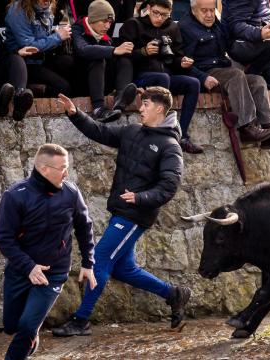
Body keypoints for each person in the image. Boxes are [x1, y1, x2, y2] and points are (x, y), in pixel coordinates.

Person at [52, 87, 191, 337]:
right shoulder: (132, 131)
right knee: (123, 269)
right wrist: (75, 114)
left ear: (160, 108)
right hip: (121, 211)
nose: (140, 108)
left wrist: (140, 198)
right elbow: (101, 131)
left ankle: (81, 320)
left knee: (100, 260)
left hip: (136, 215)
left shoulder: (170, 145)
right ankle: (174, 294)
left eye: (146, 104)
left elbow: (170, 186)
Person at [0, 143, 96, 360]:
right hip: (20, 271)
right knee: (12, 325)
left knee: (25, 327)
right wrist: (29, 266)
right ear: (44, 169)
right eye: (62, 168)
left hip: (54, 272)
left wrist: (88, 263)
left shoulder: (71, 193)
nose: (67, 173)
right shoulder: (15, 196)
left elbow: (84, 226)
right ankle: (32, 334)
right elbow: (4, 239)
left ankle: (28, 334)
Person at [180, 0, 270, 149]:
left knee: (257, 80)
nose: (209, 15)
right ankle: (246, 128)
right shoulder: (184, 28)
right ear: (193, 10)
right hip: (206, 72)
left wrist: (260, 37)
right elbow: (181, 63)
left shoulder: (217, 24)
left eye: (211, 10)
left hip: (224, 68)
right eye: (204, 11)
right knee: (236, 75)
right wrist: (203, 78)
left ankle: (268, 133)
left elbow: (230, 44)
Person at [122, 0, 203, 154]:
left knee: (193, 83)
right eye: (156, 13)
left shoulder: (172, 27)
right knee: (163, 78)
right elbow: (122, 56)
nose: (160, 18)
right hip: (141, 77)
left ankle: (181, 135)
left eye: (165, 15)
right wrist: (143, 52)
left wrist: (182, 62)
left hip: (165, 76)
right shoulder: (134, 25)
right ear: (148, 8)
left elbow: (176, 58)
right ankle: (162, 131)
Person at [72, 0, 138, 123]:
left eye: (110, 22)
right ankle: (98, 109)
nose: (108, 26)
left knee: (124, 59)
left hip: (101, 83)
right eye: (104, 21)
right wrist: (114, 50)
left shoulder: (105, 36)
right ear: (92, 19)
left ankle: (120, 100)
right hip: (81, 82)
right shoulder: (77, 29)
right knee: (98, 58)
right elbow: (83, 50)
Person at [5, 0, 75, 97]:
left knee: (68, 62)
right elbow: (29, 46)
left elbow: (42, 37)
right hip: (24, 64)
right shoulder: (18, 10)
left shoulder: (47, 8)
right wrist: (57, 37)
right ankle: (31, 90)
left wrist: (55, 34)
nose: (47, 2)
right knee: (63, 88)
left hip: (41, 59)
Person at [222, 0, 270, 90]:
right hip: (240, 44)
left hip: (257, 43)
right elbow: (236, 26)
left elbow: (257, 18)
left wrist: (267, 29)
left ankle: (250, 80)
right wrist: (260, 34)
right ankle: (251, 72)